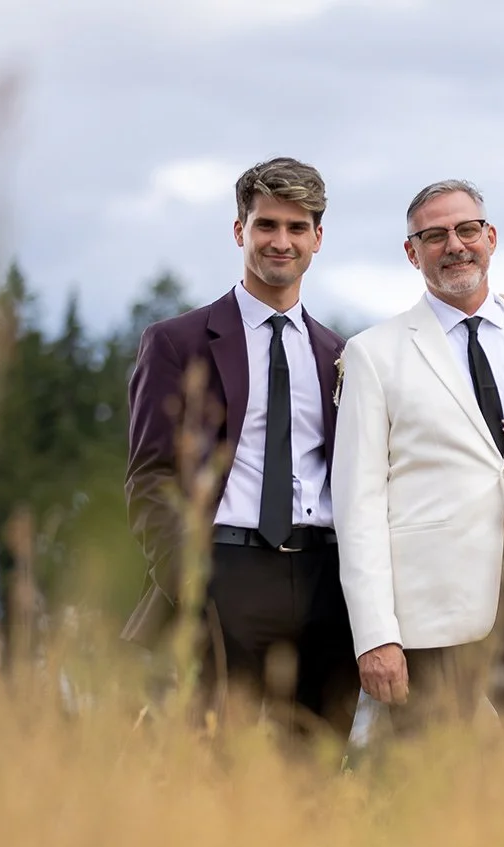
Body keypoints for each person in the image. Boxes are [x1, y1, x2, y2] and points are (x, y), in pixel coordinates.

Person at [332, 179, 504, 763]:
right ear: (411, 251)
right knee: (434, 791)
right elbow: (357, 505)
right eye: (435, 235)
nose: (455, 245)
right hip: (432, 616)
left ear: (490, 237)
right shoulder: (374, 353)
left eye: (467, 230)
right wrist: (376, 634)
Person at [123, 156, 358, 738]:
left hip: (326, 586)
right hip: (221, 573)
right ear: (239, 231)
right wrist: (191, 585)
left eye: (297, 227)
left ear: (318, 238)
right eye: (266, 225)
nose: (281, 241)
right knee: (211, 765)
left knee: (312, 767)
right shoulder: (177, 343)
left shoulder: (343, 355)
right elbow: (150, 477)